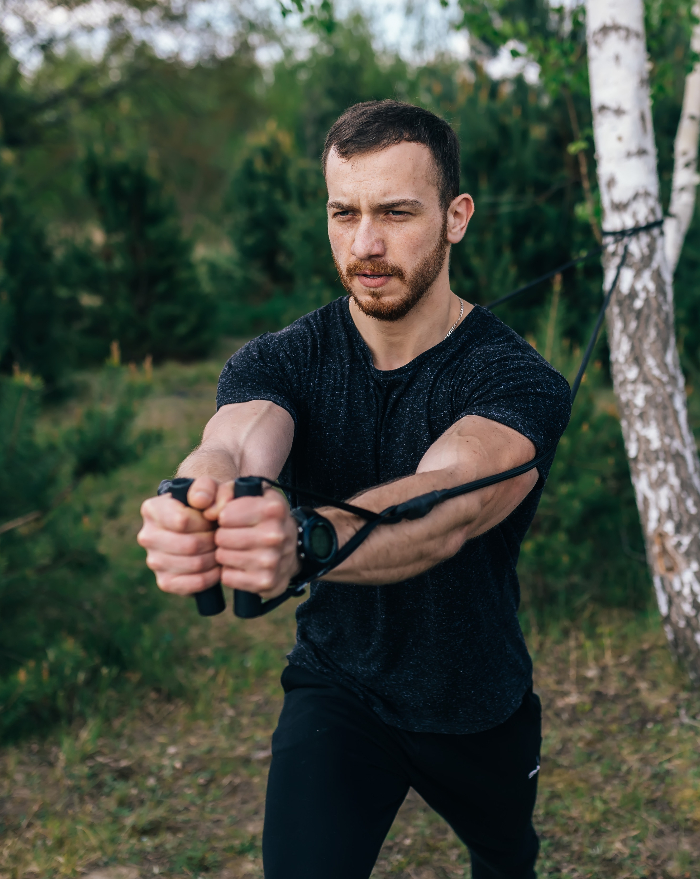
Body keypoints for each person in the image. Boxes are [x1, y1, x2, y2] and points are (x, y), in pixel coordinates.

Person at [136, 100, 571, 879]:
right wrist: (199, 497)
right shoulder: (284, 357)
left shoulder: (517, 378)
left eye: (397, 212)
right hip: (339, 684)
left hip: (477, 698)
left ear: (456, 217)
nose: (365, 244)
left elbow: (452, 497)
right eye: (345, 212)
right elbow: (237, 437)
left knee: (506, 860)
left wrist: (306, 539)